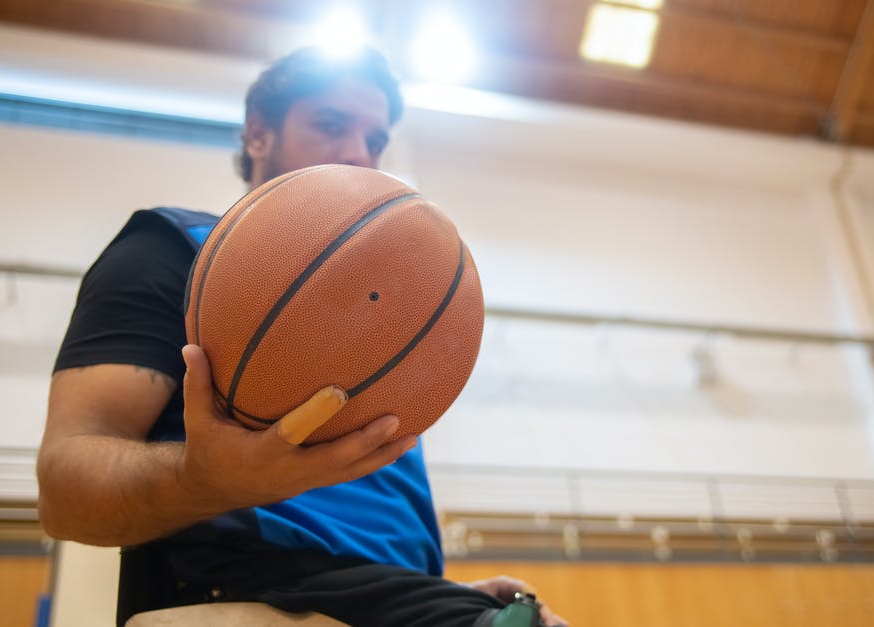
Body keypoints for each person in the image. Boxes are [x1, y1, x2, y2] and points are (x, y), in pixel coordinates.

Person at [36, 46, 568, 627]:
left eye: (376, 139)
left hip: (393, 595)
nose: (358, 154)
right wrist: (205, 480)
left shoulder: (397, 315)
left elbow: (360, 523)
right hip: (246, 581)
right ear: (258, 134)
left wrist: (435, 588)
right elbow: (64, 492)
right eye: (330, 124)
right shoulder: (170, 249)